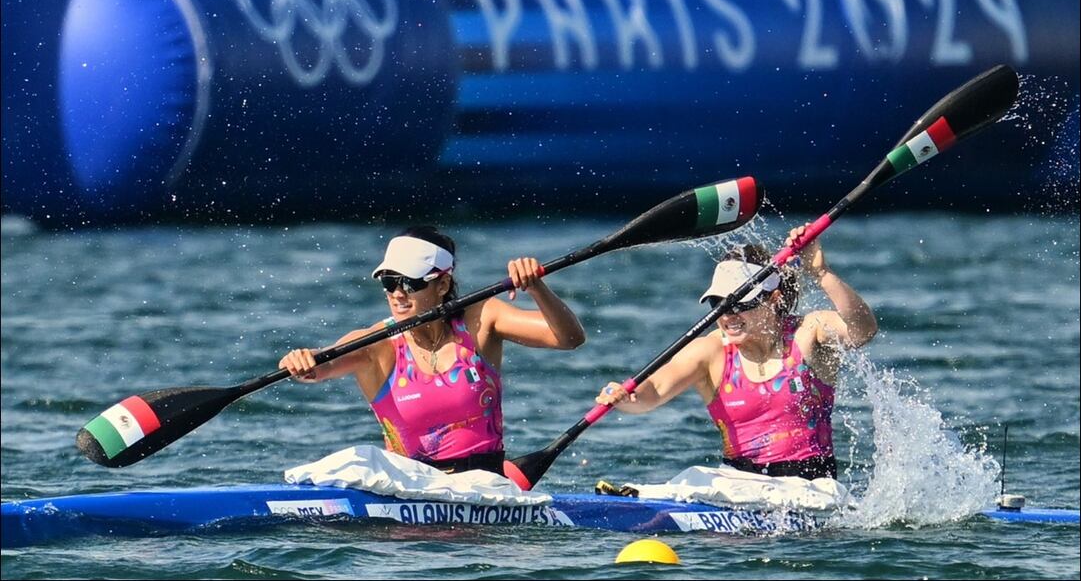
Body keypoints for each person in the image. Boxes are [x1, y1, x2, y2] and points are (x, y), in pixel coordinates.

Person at [280, 226, 586, 475]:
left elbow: (569, 338)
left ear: (442, 284)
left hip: (485, 488)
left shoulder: (482, 319)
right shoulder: (376, 343)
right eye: (389, 282)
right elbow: (321, 367)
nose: (398, 293)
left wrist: (536, 288)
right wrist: (302, 362)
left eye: (410, 282)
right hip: (410, 490)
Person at [595, 224, 877, 480]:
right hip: (738, 483)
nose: (728, 314)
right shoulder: (711, 350)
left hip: (812, 487)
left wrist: (821, 273)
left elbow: (863, 330)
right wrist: (626, 397)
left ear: (773, 299)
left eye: (740, 303)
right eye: (718, 303)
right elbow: (653, 391)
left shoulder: (809, 331)